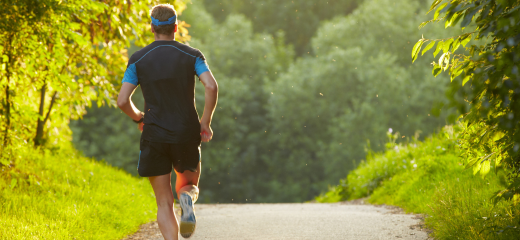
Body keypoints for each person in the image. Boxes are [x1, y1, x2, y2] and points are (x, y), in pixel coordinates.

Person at [117, 4, 218, 239]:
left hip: (154, 135)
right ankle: (187, 198)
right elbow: (211, 86)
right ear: (175, 27)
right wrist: (205, 122)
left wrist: (138, 117)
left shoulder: (138, 59)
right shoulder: (192, 55)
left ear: (152, 27)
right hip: (186, 132)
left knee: (163, 203)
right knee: (188, 185)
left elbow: (122, 101)